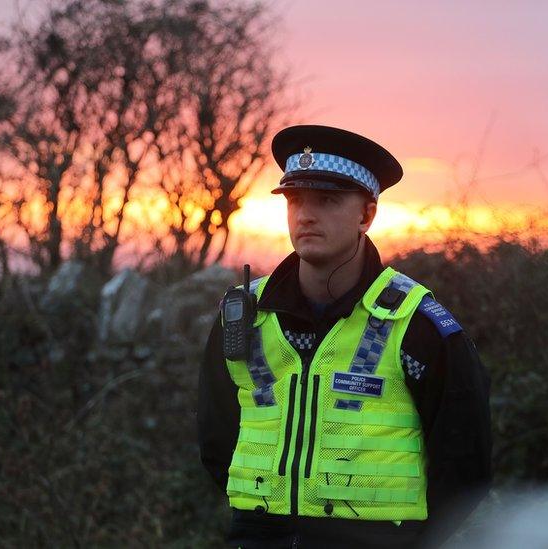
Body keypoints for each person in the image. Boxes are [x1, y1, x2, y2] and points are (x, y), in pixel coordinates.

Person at [198, 125, 492, 548]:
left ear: (367, 215)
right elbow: (216, 439)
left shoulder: (417, 324)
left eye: (328, 200)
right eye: (295, 199)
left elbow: (466, 460)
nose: (305, 215)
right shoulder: (243, 315)